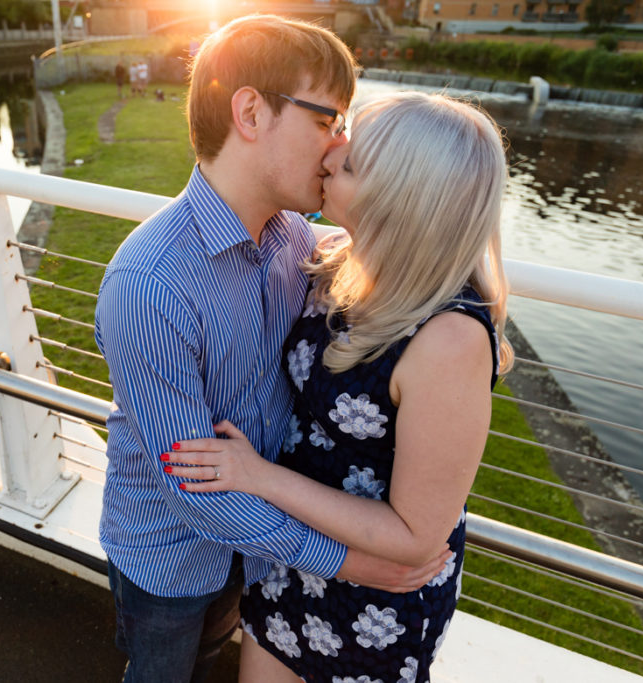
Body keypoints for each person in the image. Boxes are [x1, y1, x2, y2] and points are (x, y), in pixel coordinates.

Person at [94, 16, 449, 683]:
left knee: (213, 653)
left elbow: (399, 249)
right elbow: (194, 492)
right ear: (251, 111)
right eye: (327, 121)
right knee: (162, 672)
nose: (338, 146)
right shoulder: (149, 284)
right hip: (168, 554)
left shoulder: (296, 241)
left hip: (258, 552)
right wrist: (352, 561)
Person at [162, 91, 513, 682]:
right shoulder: (336, 259)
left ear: (399, 200)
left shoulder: (449, 341)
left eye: (349, 163)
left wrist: (256, 475)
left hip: (374, 598)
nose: (329, 156)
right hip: (288, 557)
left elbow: (413, 536)